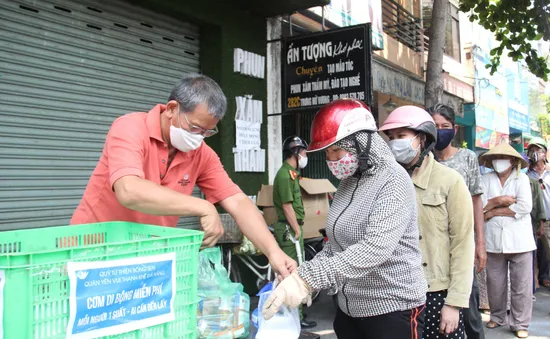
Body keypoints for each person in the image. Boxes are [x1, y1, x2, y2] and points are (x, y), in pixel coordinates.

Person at [70, 74, 296, 278]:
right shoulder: (129, 128)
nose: (199, 138)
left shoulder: (201, 154)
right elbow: (128, 190)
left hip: (146, 259)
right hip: (94, 251)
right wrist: (203, 207)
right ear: (171, 108)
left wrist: (274, 253)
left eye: (208, 132)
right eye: (195, 128)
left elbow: (237, 202)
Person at [263, 99, 427, 339]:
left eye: (336, 150)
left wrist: (307, 279)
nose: (331, 159)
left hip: (393, 311)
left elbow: (374, 249)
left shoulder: (394, 180)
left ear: (361, 144)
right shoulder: (347, 183)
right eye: (327, 152)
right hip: (349, 311)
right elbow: (336, 245)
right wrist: (304, 273)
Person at [379, 106, 474, 339]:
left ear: (422, 139)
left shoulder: (450, 181)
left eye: (401, 136)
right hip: (395, 294)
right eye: (391, 138)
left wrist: (455, 303)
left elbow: (462, 245)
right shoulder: (385, 182)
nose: (394, 144)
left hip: (436, 293)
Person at [426, 104, 486, 339]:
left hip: (462, 246)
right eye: (435, 126)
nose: (440, 131)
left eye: (445, 126)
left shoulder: (467, 158)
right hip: (432, 250)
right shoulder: (423, 161)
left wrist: (480, 244)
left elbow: (476, 202)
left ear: (455, 129)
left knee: (469, 308)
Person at [479, 143, 536, 338]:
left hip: (520, 241)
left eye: (503, 158)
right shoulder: (485, 179)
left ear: (512, 161)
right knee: (495, 283)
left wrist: (493, 211)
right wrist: (499, 200)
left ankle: (520, 323)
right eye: (495, 158)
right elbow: (480, 206)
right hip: (493, 240)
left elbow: (524, 207)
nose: (499, 161)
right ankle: (497, 316)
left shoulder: (522, 179)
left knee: (521, 285)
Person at [272, 136, 316, 329]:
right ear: (296, 153)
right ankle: (295, 317)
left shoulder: (292, 173)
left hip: (294, 228)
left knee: (298, 270)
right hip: (290, 229)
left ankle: (296, 315)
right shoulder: (284, 175)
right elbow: (287, 206)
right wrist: (297, 230)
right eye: (304, 152)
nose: (305, 156)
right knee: (292, 274)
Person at [526, 137, 550, 288]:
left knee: (547, 250)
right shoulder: (526, 174)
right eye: (532, 150)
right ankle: (536, 278)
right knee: (533, 250)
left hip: (548, 217)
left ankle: (545, 275)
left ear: (545, 153)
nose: (535, 153)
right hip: (532, 219)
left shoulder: (548, 173)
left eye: (538, 150)